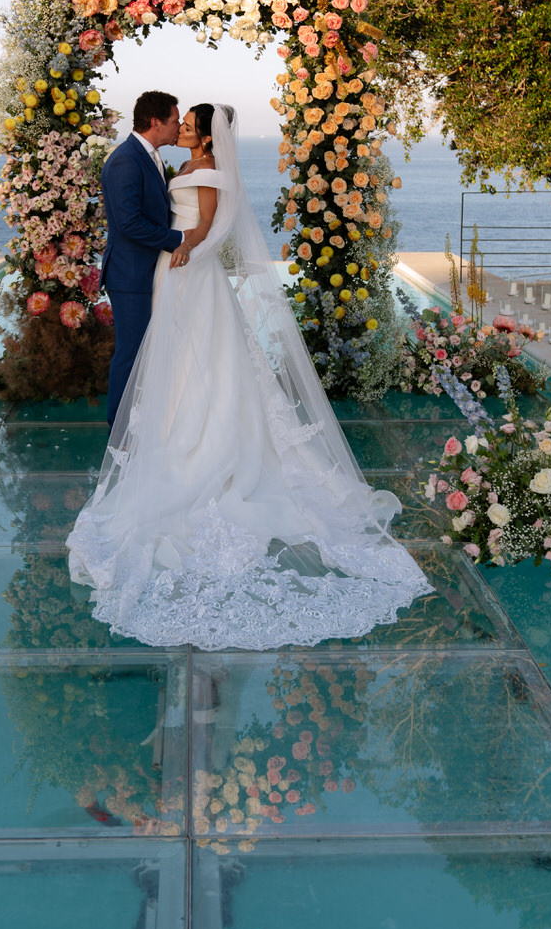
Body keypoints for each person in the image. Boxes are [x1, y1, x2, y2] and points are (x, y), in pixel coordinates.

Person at [68, 103, 431, 650]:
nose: (183, 125)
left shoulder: (210, 172)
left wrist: (186, 254)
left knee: (204, 361)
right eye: (179, 118)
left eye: (191, 120)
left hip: (190, 274)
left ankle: (203, 443)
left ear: (208, 134)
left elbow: (209, 231)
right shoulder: (179, 168)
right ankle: (162, 433)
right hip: (171, 271)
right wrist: (177, 252)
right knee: (173, 361)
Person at [100, 90, 192, 427]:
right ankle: (120, 432)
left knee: (145, 353)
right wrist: (180, 239)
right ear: (155, 122)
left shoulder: (147, 156)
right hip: (131, 275)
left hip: (146, 273)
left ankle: (144, 424)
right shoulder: (127, 159)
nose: (179, 127)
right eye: (174, 120)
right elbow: (129, 224)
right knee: (131, 354)